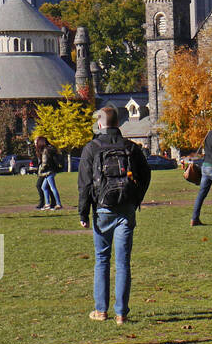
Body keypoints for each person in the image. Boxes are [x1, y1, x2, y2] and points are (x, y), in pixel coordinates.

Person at [77, 106, 151, 324]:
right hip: (126, 209)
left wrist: (83, 213)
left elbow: (84, 185)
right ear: (118, 124)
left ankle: (101, 310)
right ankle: (121, 313)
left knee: (102, 259)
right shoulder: (131, 147)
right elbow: (146, 175)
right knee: (123, 262)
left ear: (100, 124)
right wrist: (137, 198)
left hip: (102, 209)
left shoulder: (91, 148)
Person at [34, 135, 64, 211]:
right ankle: (47, 204)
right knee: (44, 187)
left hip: (49, 171)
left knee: (53, 188)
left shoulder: (45, 151)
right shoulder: (49, 149)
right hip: (50, 171)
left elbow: (45, 162)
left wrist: (40, 170)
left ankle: (58, 204)